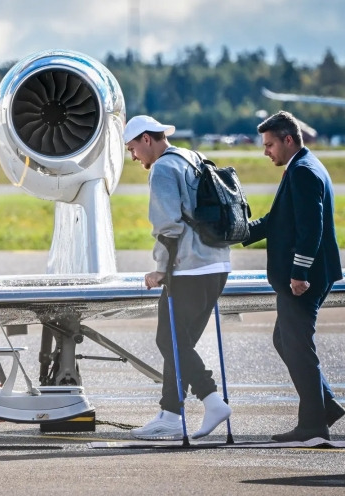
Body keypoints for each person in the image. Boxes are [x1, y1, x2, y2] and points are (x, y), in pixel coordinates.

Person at [123, 115, 232, 440]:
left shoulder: (163, 169)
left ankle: (212, 400)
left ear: (146, 139)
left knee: (168, 340)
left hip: (189, 268)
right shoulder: (192, 157)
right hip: (217, 265)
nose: (133, 157)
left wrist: (160, 268)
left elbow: (168, 226)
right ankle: (171, 414)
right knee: (179, 343)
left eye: (132, 149)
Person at [245, 110, 345, 442]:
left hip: (305, 278)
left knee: (298, 345)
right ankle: (325, 404)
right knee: (285, 339)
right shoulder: (302, 166)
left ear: (289, 140)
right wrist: (239, 232)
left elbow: (311, 227)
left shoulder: (302, 171)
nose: (265, 151)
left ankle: (313, 425)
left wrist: (299, 272)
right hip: (307, 274)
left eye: (270, 144)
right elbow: (278, 220)